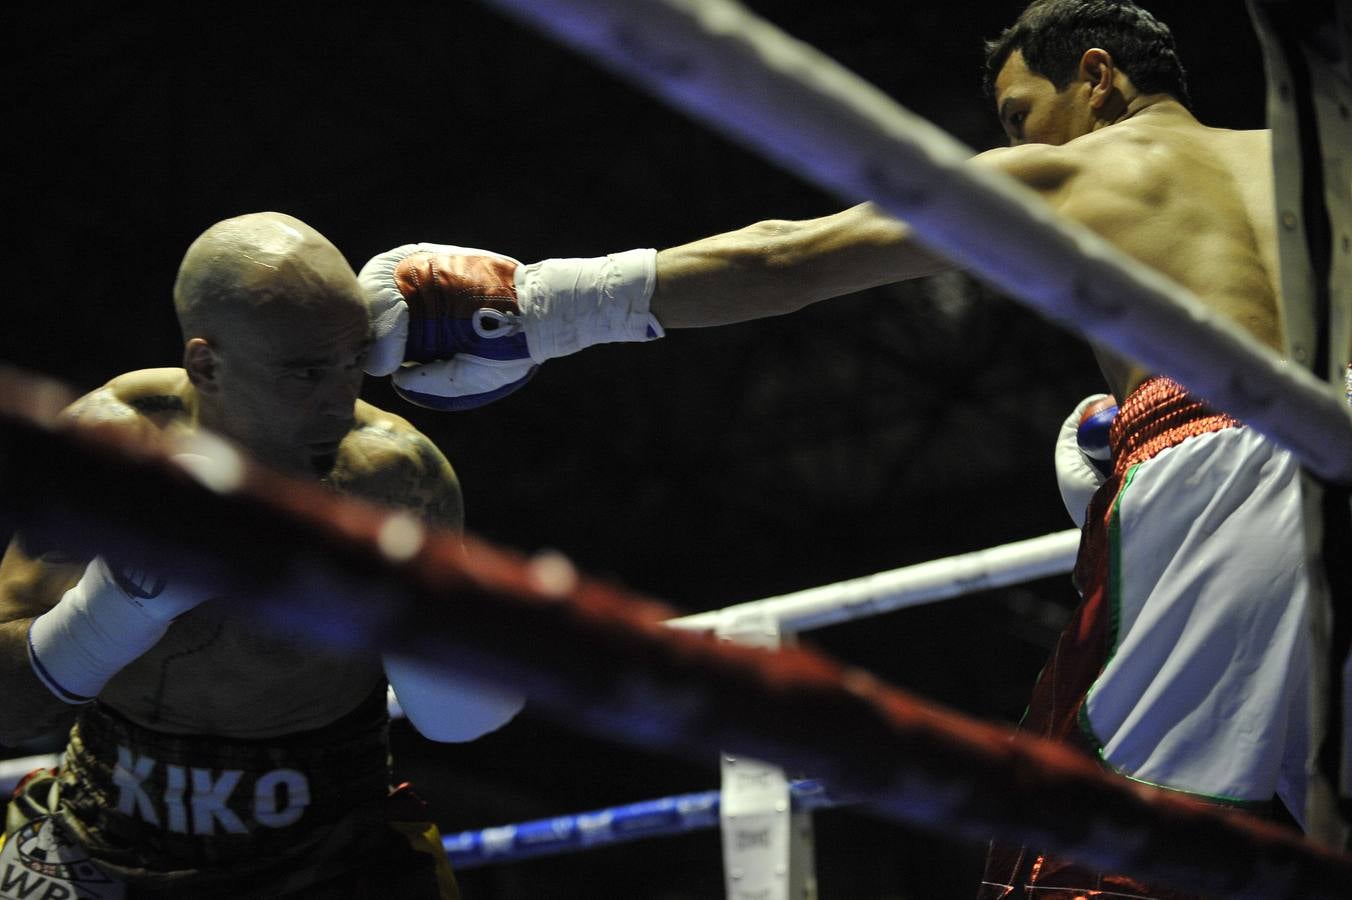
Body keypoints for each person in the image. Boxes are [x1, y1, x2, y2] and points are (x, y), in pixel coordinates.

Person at [355, 2, 1344, 896]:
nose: (1011, 140)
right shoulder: (1307, 159)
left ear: (1096, 76)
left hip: (1212, 464)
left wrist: (542, 308)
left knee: (1091, 852)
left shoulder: (1079, 165)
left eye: (1016, 112)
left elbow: (790, 255)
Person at [0, 212, 526, 898]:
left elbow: (459, 722)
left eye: (351, 362)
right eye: (305, 372)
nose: (340, 400)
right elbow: (10, 711)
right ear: (206, 364)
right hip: (104, 828)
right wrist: (117, 605)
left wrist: (403, 609)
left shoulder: (396, 477)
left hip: (331, 846)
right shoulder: (109, 450)